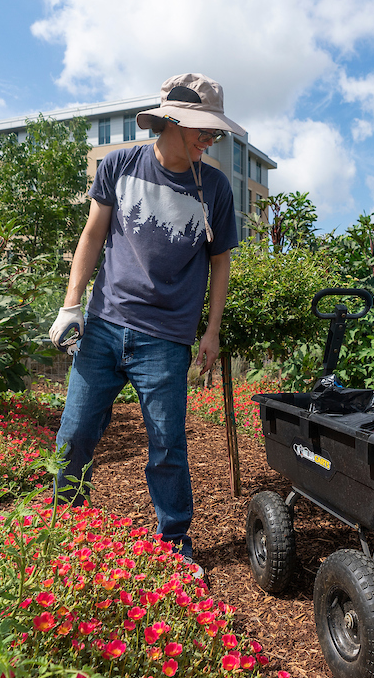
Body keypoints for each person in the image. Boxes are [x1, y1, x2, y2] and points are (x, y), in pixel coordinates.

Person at [46, 73, 242, 575]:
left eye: (215, 133)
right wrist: (71, 305)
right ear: (171, 121)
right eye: (203, 129)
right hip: (105, 324)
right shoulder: (119, 165)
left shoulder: (215, 187)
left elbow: (219, 262)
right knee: (75, 435)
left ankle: (175, 544)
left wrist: (211, 331)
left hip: (167, 338)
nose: (210, 139)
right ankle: (64, 530)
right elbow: (92, 235)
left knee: (168, 446)